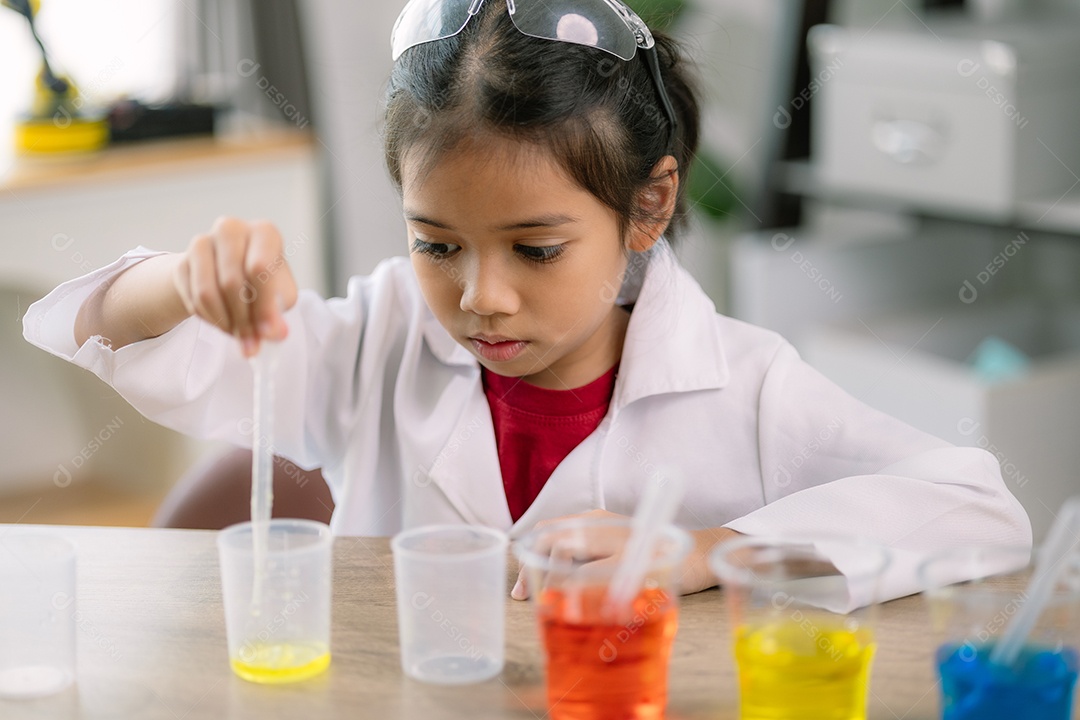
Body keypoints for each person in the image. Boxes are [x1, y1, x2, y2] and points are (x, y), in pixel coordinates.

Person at [23, 0, 1029, 607]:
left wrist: (704, 553)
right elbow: (123, 332)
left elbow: (978, 509)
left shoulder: (747, 385)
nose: (480, 297)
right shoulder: (375, 341)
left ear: (651, 204)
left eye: (536, 248)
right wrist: (181, 281)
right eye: (435, 243)